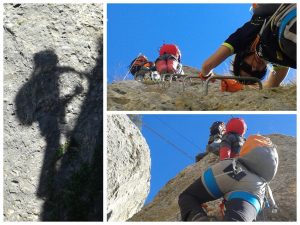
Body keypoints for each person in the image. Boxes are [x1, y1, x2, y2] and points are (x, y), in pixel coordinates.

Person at [178, 134, 279, 221]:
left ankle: (198, 219)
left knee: (188, 196)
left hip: (229, 168)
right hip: (255, 187)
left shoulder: (229, 136)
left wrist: (225, 161)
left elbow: (225, 147)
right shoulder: (262, 184)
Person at [199, 4, 296, 92]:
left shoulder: (246, 35)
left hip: (288, 26)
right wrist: (240, 88)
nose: (254, 68)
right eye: (256, 74)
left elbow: (206, 66)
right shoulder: (275, 59)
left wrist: (207, 75)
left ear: (241, 56)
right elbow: (271, 85)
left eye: (246, 67)